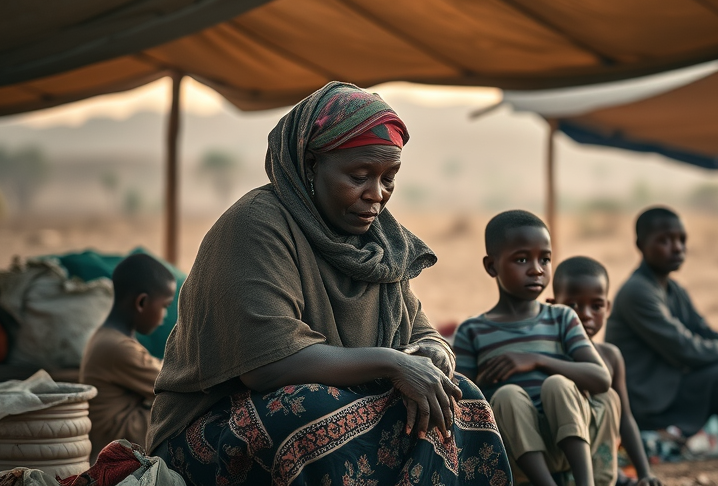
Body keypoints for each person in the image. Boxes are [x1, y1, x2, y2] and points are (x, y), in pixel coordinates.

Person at [147, 83, 512, 486]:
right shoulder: (256, 225)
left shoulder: (379, 244)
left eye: (389, 178)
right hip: (213, 427)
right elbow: (268, 366)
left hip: (340, 401)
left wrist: (433, 353)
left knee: (458, 398)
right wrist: (394, 362)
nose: (377, 195)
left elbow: (419, 329)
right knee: (310, 412)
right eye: (359, 176)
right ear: (309, 166)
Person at [453, 210, 619, 486]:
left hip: (574, 440)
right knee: (507, 396)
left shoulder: (562, 318)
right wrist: (487, 383)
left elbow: (601, 379)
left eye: (545, 259)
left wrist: (537, 360)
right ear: (491, 266)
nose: (536, 269)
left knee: (558, 385)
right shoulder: (472, 331)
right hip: (519, 452)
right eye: (521, 259)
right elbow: (465, 401)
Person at [605, 207, 718, 436]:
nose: (677, 247)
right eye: (664, 240)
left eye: (681, 239)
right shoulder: (637, 292)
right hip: (648, 400)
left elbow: (704, 332)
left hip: (672, 385)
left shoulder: (673, 289)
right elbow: (686, 349)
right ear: (640, 245)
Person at [549, 256, 663, 486]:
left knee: (611, 398)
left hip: (600, 467)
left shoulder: (610, 356)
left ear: (608, 307)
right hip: (557, 463)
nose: (585, 314)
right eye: (572, 305)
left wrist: (644, 473)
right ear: (553, 306)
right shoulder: (550, 354)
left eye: (596, 305)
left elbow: (625, 418)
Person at [80, 253, 173, 461]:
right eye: (165, 306)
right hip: (116, 447)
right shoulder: (118, 347)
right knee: (183, 402)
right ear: (142, 302)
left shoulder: (109, 336)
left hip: (115, 439)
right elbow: (173, 379)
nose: (165, 316)